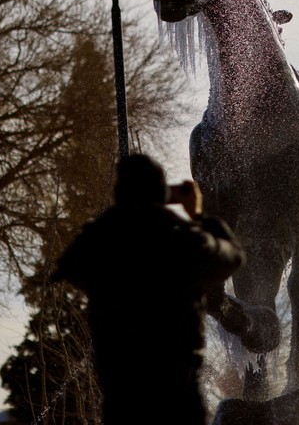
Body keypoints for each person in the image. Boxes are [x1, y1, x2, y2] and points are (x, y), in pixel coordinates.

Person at [52, 153, 245, 425]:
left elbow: (70, 265)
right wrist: (200, 215)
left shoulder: (100, 243)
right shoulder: (179, 239)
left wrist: (118, 214)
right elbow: (231, 257)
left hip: (122, 394)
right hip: (176, 389)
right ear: (161, 191)